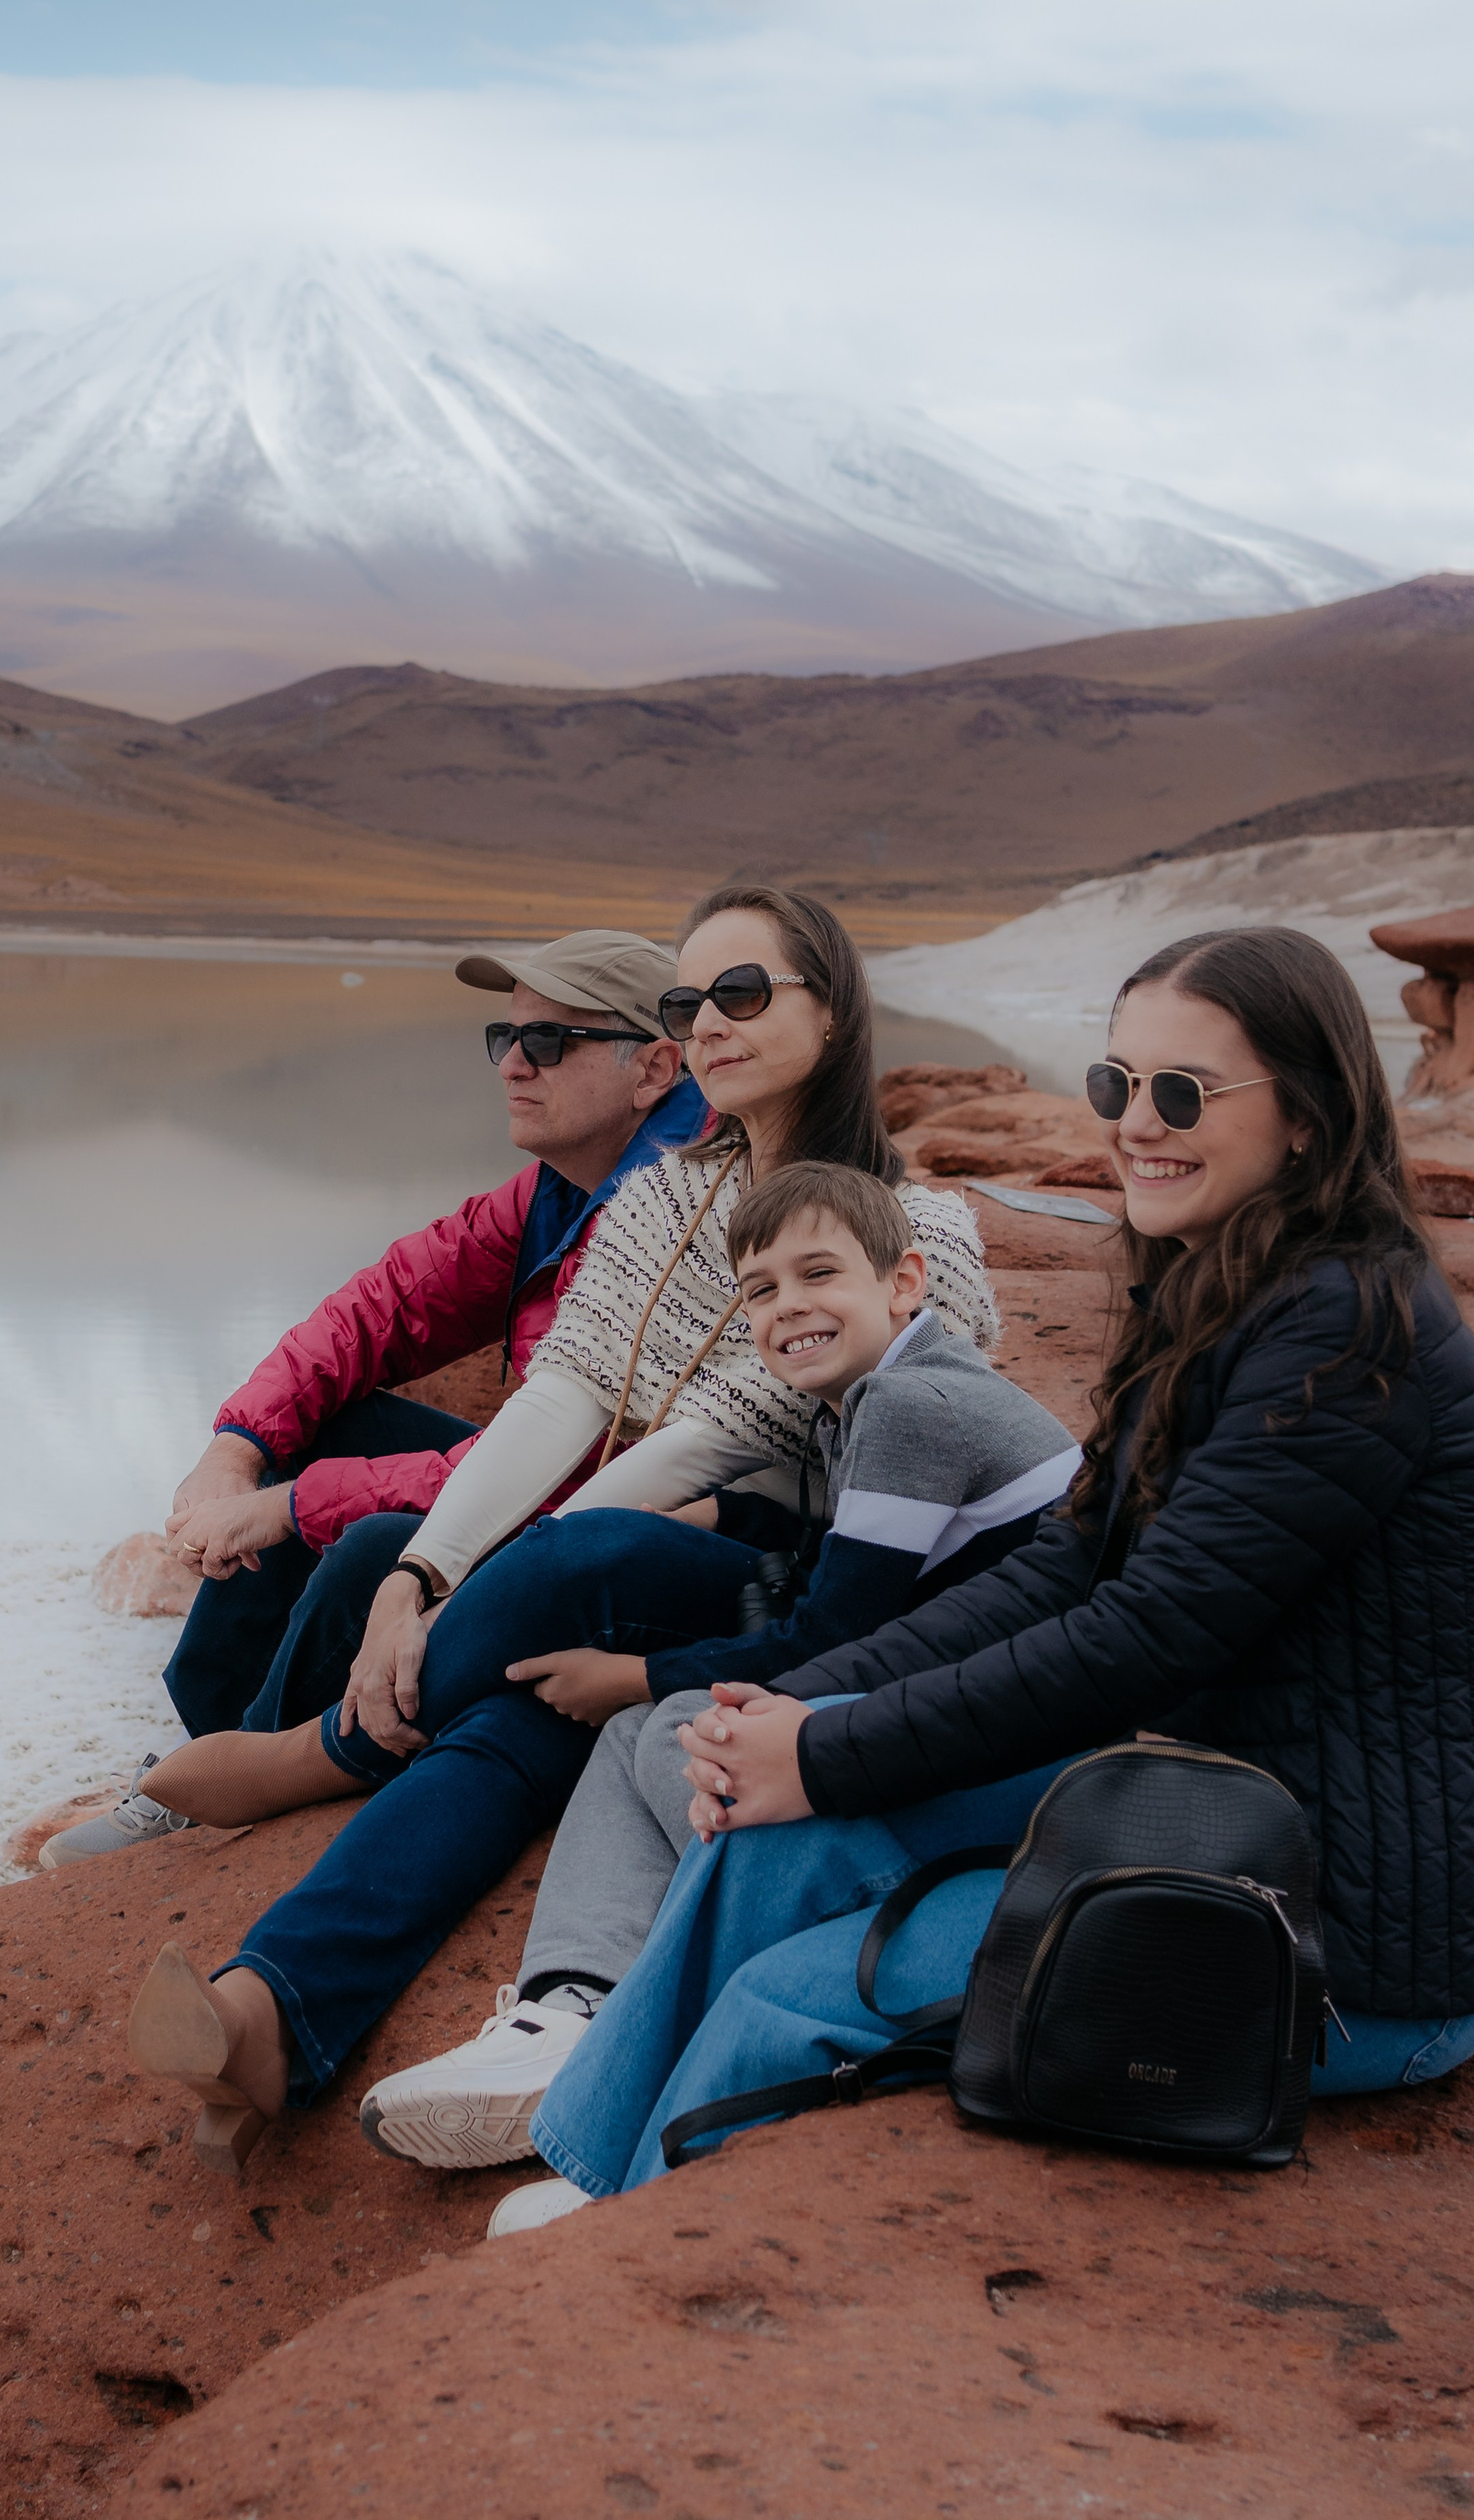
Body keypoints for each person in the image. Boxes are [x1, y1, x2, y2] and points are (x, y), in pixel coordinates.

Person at [496, 924, 1474, 2235]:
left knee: (799, 1985)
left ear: (1306, 1115)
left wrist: (832, 1749)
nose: (1138, 1124)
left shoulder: (1357, 1326)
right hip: (1201, 1822)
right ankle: (596, 2160)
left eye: (1182, 1093)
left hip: (1323, 1940)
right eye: (1117, 1084)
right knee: (778, 1829)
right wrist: (793, 1712)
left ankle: (627, 2228)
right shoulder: (1221, 1290)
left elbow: (1145, 1636)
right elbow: (1069, 1563)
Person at [116, 887, 1000, 2169]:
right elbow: (566, 1387)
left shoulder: (924, 1232)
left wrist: (490, 1575)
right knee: (519, 1710)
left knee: (581, 1564)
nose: (710, 1026)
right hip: (651, 1570)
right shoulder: (655, 1202)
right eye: (689, 1003)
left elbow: (724, 1431)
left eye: (743, 996)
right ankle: (265, 2019)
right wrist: (424, 1568)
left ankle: (331, 1746)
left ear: (836, 1008)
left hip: (824, 1590)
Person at [354, 1156, 1080, 2171]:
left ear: (906, 1282)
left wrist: (637, 1676)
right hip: (985, 1705)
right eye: (762, 1289)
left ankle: (578, 2015)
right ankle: (571, 2019)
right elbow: (850, 1557)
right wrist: (725, 1511)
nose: (790, 1307)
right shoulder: (888, 1392)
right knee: (657, 1733)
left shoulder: (913, 1405)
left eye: (821, 1274)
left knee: (666, 1735)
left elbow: (830, 1635)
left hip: (1009, 1744)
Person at [41, 928, 700, 1867]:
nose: (513, 1064)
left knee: (369, 1543)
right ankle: (211, 1747)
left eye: (550, 1044)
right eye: (504, 1039)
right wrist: (237, 1448)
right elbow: (387, 1304)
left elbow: (566, 1472)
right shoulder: (563, 1188)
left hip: (636, 1543)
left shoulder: (673, 1217)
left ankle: (245, 1792)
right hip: (558, 1505)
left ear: (656, 1068)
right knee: (326, 1432)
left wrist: (290, 1507)